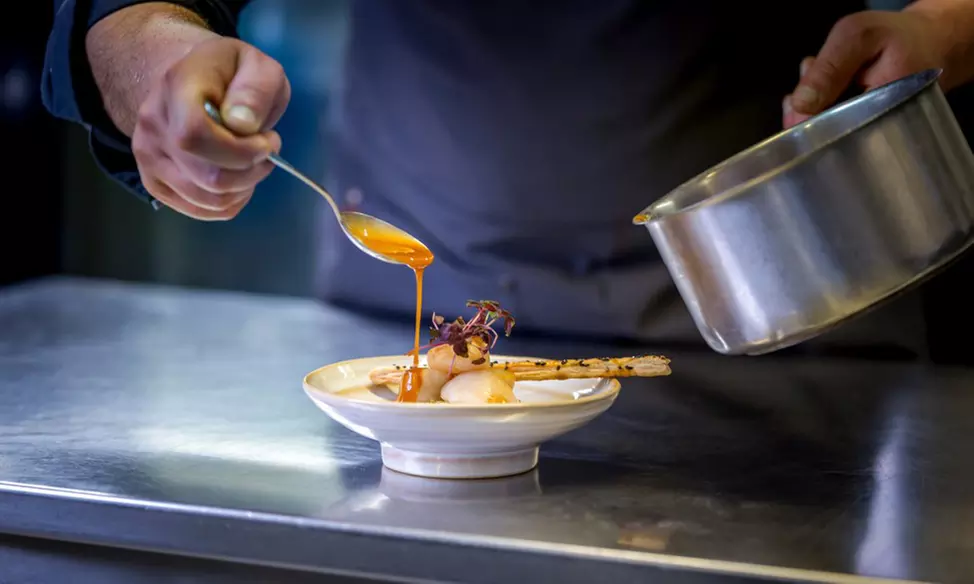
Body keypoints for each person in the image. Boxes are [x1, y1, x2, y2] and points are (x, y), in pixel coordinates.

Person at [42, 0, 974, 357]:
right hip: (407, 341)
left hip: (784, 300)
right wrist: (157, 52)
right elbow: (129, 11)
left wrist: (948, 24)